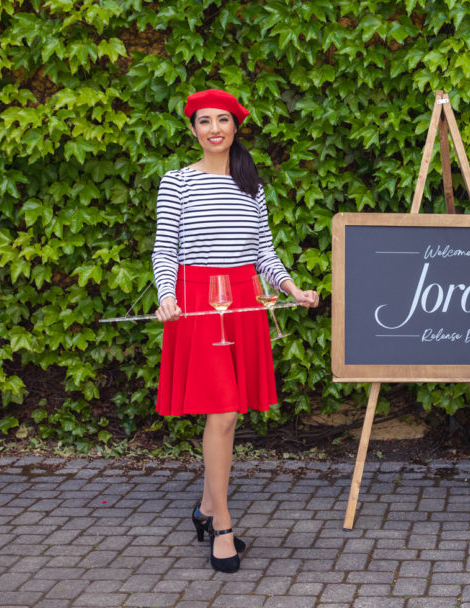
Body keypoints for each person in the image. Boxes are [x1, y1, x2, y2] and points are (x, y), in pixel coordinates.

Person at [152, 88, 320, 572]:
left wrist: (291, 289)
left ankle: (206, 508)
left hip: (244, 298)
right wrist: (167, 297)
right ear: (192, 130)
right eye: (204, 122)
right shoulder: (176, 183)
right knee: (222, 413)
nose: (214, 130)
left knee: (231, 412)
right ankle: (222, 526)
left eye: (222, 121)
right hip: (198, 301)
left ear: (235, 127)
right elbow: (165, 249)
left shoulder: (250, 183)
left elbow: (263, 251)